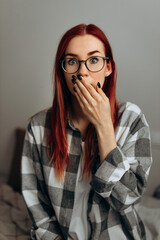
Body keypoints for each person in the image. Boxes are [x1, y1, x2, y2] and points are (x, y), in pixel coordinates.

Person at [21, 24, 152, 240]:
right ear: (62, 71)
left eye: (93, 60)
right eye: (72, 61)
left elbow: (128, 198)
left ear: (108, 67)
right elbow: (35, 202)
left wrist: (103, 127)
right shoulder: (37, 127)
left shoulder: (132, 118)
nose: (82, 71)